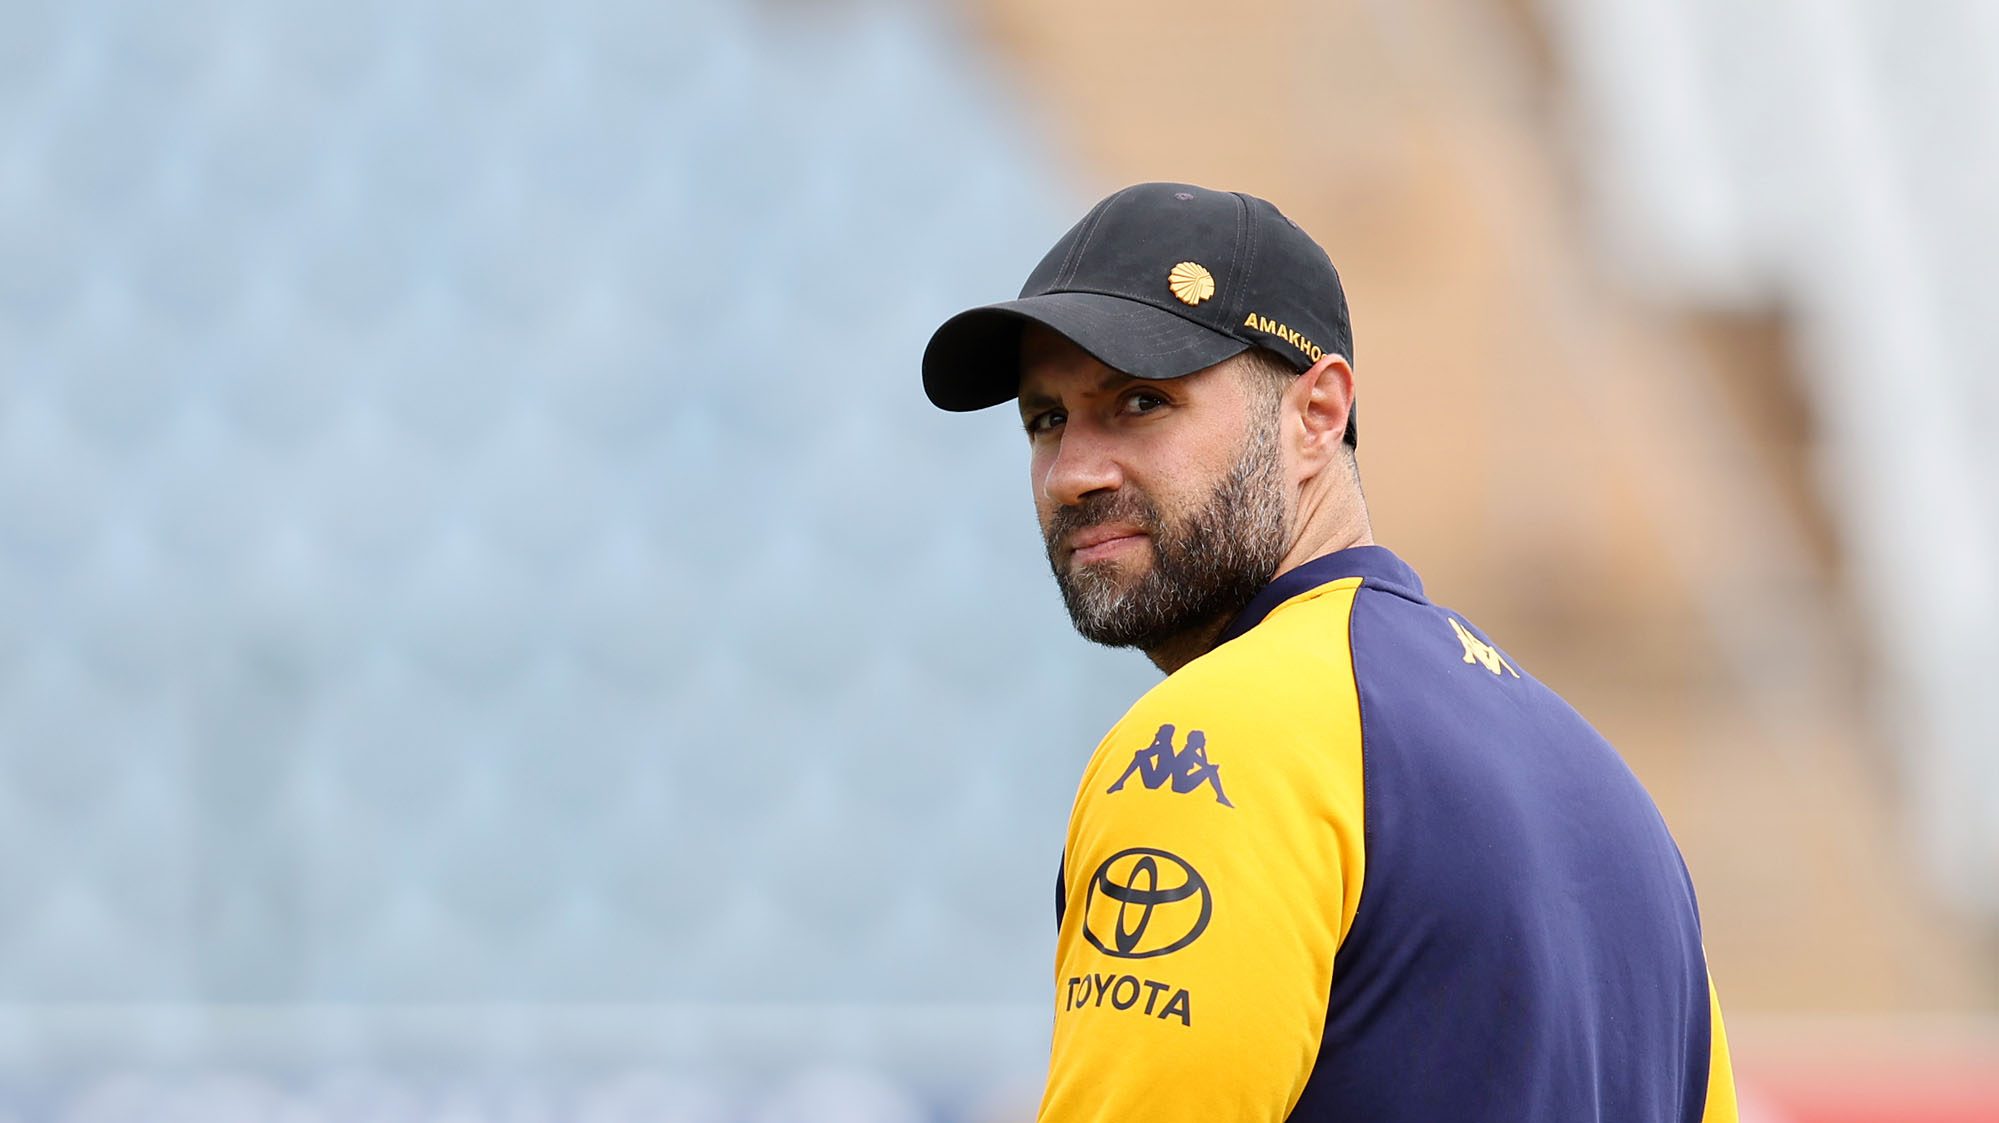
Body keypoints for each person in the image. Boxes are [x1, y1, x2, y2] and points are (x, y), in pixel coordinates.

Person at [921, 182, 1738, 1121]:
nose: (1072, 473)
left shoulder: (1213, 742)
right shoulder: (1611, 796)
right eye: (1045, 419)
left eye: (1140, 400)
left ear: (1317, 413)